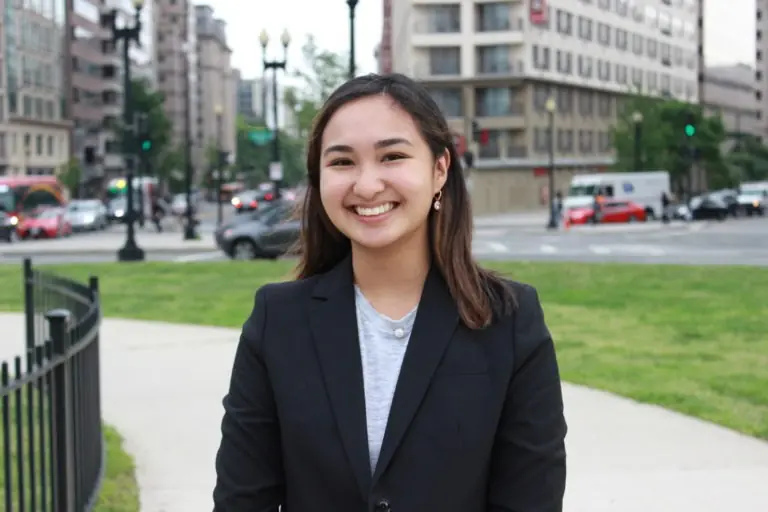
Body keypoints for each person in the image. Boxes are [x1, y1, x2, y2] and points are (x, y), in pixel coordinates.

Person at [212, 73, 567, 511]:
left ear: (439, 169)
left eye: (392, 156)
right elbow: (242, 500)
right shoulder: (277, 321)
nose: (366, 185)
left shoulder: (509, 320)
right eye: (342, 162)